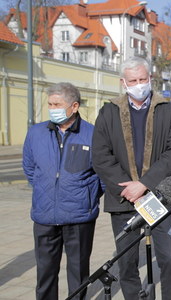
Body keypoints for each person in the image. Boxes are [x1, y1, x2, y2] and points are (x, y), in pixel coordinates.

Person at [92, 57, 171, 300]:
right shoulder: (108, 112)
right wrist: (128, 188)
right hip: (123, 200)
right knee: (127, 263)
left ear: (150, 78)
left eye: (143, 79)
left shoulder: (169, 110)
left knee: (169, 258)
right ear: (123, 82)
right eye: (133, 80)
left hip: (160, 198)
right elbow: (100, 156)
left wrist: (144, 184)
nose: (138, 84)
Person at [22, 82, 103, 300]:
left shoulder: (93, 134)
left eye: (57, 104)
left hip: (79, 217)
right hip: (45, 216)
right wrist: (45, 190)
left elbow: (101, 174)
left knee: (78, 274)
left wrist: (86, 197)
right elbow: (30, 168)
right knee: (45, 274)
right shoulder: (36, 133)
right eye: (50, 104)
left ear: (74, 106)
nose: (52, 108)